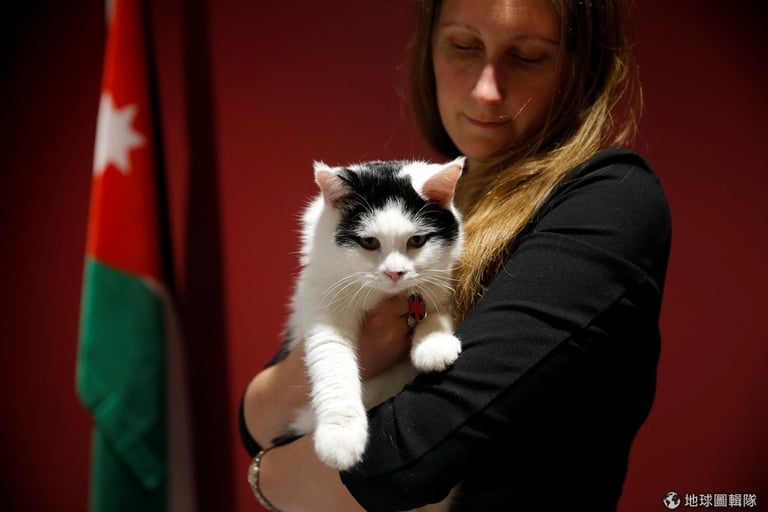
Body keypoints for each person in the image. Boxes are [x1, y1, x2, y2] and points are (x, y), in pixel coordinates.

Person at [239, 0, 671, 510]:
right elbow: (258, 416)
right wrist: (349, 351)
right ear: (428, 48)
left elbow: (408, 456)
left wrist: (265, 476)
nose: (486, 89)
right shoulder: (420, 192)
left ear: (582, 67)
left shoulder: (611, 197)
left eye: (527, 56)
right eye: (463, 46)